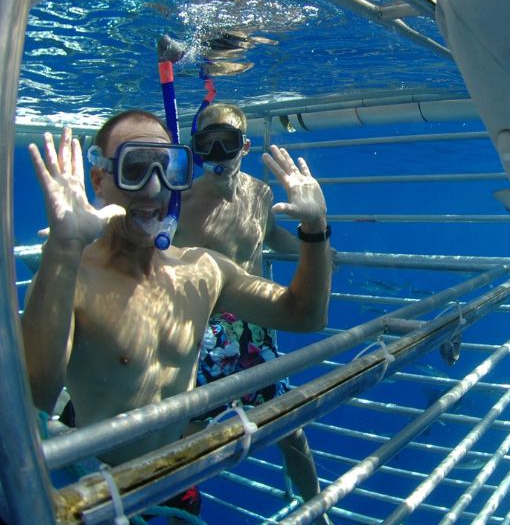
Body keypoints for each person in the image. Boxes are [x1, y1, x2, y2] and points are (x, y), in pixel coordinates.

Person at [21, 110, 332, 518]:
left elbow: (306, 316)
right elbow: (33, 397)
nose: (153, 187)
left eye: (168, 167)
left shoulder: (202, 270)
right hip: (100, 493)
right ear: (99, 180)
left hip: (177, 481)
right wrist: (63, 249)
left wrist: (316, 226)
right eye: (135, 168)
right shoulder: (75, 278)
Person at [175, 102, 326, 505]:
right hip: (202, 333)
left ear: (244, 146)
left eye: (227, 142)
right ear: (196, 148)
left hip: (257, 326)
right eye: (209, 143)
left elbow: (271, 236)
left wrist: (318, 250)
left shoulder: (260, 193)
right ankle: (176, 506)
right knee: (188, 436)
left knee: (289, 426)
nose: (218, 153)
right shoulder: (181, 202)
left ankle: (316, 509)